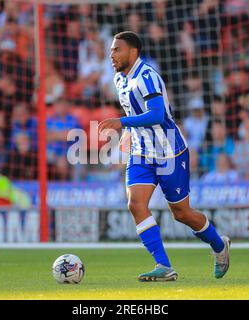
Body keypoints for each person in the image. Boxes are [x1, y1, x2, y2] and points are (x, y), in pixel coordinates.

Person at [98, 31, 230, 282]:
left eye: (117, 49)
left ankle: (219, 246)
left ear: (133, 52)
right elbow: (135, 111)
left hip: (170, 152)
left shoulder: (147, 77)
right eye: (111, 50)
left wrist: (122, 122)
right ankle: (163, 265)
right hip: (141, 152)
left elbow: (158, 115)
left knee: (181, 213)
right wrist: (128, 132)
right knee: (135, 204)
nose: (111, 54)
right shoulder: (119, 79)